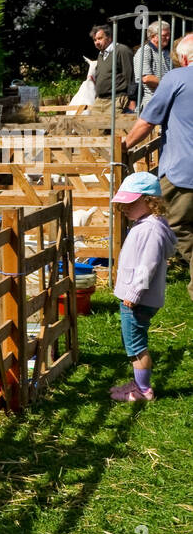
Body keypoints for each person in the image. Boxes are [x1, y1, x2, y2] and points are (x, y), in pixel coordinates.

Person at [121, 32, 193, 292]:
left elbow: (147, 121)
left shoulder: (176, 78)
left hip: (183, 171)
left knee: (178, 224)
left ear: (183, 58)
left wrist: (124, 145)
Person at [108, 172, 175, 402]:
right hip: (135, 297)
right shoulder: (147, 224)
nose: (124, 207)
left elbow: (148, 265)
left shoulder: (150, 230)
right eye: (123, 203)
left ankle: (143, 390)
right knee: (134, 342)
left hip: (136, 299)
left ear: (149, 201)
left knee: (136, 345)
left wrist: (134, 292)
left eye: (130, 202)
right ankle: (139, 383)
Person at [90, 23, 134, 113]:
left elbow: (130, 76)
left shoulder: (122, 50)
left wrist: (132, 100)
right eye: (95, 40)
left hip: (116, 99)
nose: (97, 42)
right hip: (100, 101)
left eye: (100, 38)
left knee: (115, 126)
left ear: (109, 37)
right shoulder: (101, 54)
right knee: (93, 125)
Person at [136, 20, 173, 108]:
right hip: (153, 103)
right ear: (153, 36)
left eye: (169, 34)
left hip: (167, 101)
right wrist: (171, 84)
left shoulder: (166, 53)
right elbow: (146, 78)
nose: (168, 38)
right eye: (164, 35)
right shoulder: (145, 51)